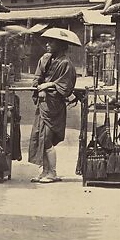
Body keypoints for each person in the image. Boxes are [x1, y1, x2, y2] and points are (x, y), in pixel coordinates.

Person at [27, 27, 80, 183]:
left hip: (54, 106)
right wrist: (38, 86)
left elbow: (65, 86)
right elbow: (36, 78)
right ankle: (44, 171)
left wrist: (47, 85)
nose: (48, 45)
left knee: (48, 139)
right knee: (40, 137)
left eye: (52, 42)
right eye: (48, 42)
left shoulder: (66, 64)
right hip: (43, 103)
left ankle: (53, 173)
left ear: (60, 45)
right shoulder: (44, 59)